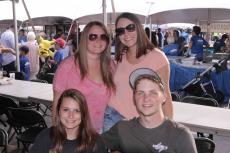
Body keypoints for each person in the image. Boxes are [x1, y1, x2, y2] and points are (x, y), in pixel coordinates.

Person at [103, 12, 173, 132]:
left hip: (141, 122)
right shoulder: (121, 56)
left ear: (139, 28)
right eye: (120, 31)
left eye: (130, 28)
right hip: (112, 117)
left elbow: (165, 95)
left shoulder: (157, 58)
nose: (126, 34)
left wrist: (169, 130)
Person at [102, 68, 197, 153]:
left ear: (164, 97)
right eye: (140, 93)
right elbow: (94, 145)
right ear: (134, 98)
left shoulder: (180, 135)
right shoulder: (122, 129)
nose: (146, 98)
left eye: (153, 93)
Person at [53, 21, 116, 133]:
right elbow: (56, 105)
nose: (98, 40)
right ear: (84, 39)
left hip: (104, 132)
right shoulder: (67, 66)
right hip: (75, 133)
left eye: (103, 37)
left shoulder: (111, 66)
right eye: (92, 36)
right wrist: (56, 134)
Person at [29, 89, 107, 153]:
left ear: (83, 114)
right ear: (59, 111)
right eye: (66, 110)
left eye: (77, 111)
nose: (71, 115)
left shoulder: (95, 142)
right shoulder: (45, 137)